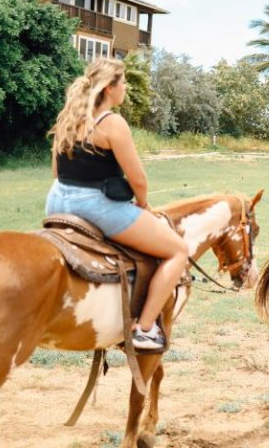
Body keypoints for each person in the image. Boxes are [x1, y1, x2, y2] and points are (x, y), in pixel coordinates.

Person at [46, 58, 188, 351]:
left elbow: (56, 172)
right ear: (110, 88)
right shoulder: (112, 123)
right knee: (178, 251)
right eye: (123, 83)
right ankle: (145, 329)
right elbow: (138, 179)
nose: (125, 88)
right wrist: (143, 205)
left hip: (57, 201)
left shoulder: (68, 118)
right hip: (96, 206)